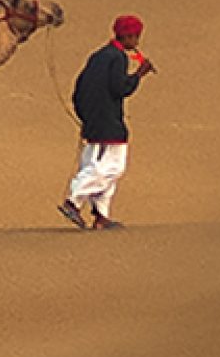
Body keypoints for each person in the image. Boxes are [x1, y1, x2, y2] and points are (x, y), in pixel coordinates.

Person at [60, 14, 155, 231]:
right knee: (112, 167)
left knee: (95, 164)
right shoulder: (117, 58)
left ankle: (101, 216)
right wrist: (139, 74)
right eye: (136, 37)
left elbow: (79, 88)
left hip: (94, 120)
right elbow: (120, 88)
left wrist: (86, 116)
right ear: (128, 36)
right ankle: (74, 200)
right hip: (107, 122)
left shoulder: (98, 56)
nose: (137, 42)